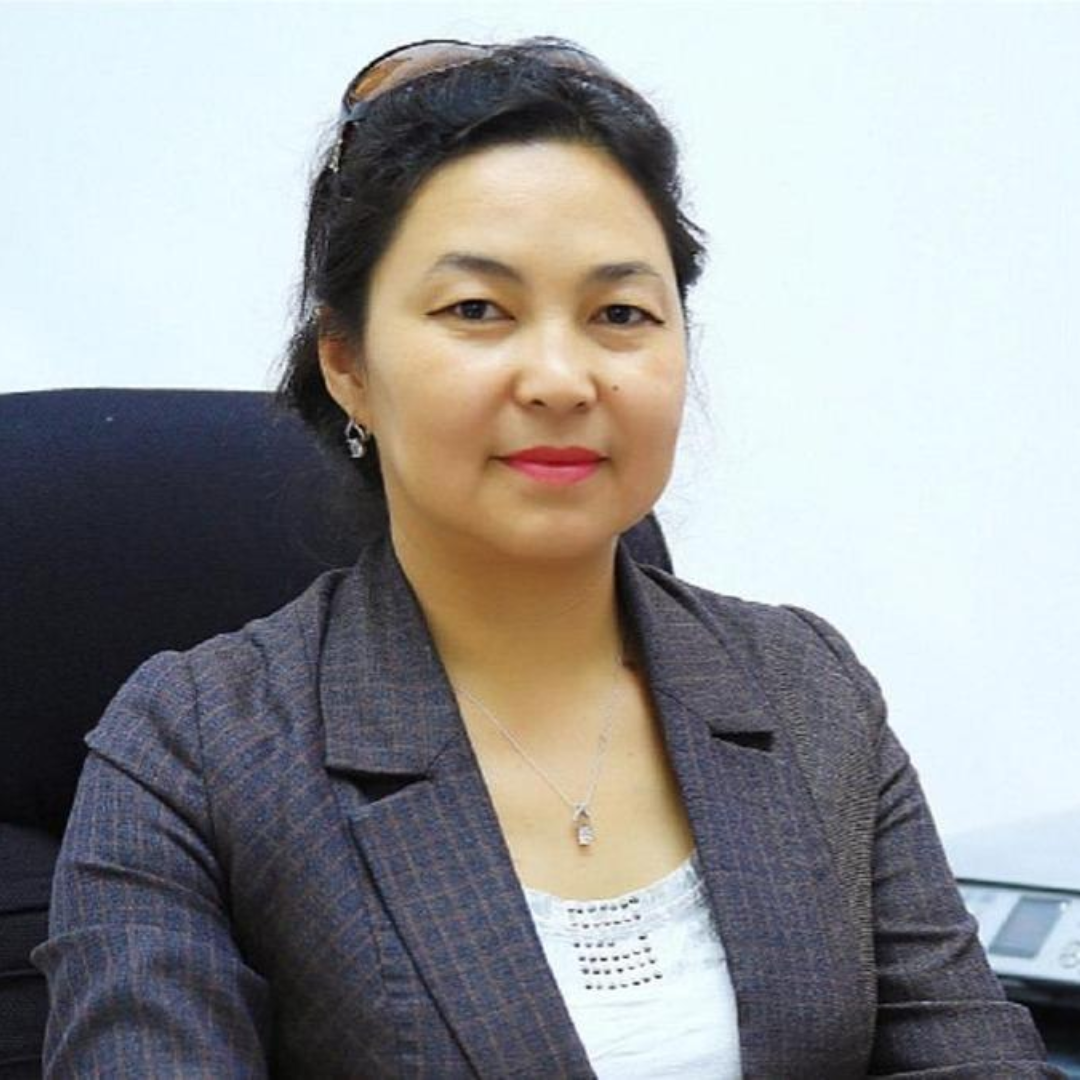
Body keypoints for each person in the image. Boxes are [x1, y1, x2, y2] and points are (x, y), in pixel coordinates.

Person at [31, 36, 1059, 1079]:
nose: (562, 379)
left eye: (621, 314)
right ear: (347, 364)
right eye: (478, 310)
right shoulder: (194, 750)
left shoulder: (806, 688)